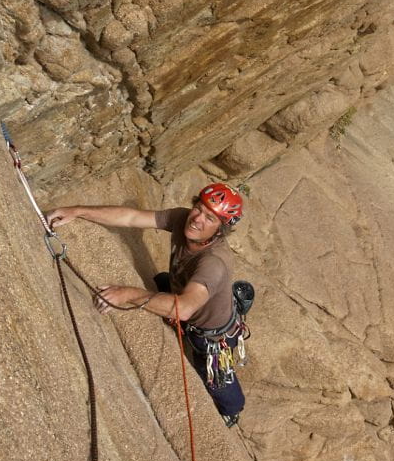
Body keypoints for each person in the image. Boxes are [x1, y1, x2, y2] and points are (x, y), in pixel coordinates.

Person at [46, 183, 247, 427]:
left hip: (210, 334)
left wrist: (129, 294)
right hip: (185, 292)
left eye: (210, 218)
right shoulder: (182, 218)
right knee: (162, 280)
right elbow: (131, 217)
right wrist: (77, 211)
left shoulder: (213, 263)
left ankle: (232, 410)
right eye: (198, 208)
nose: (197, 219)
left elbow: (183, 309)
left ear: (220, 230)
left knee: (216, 380)